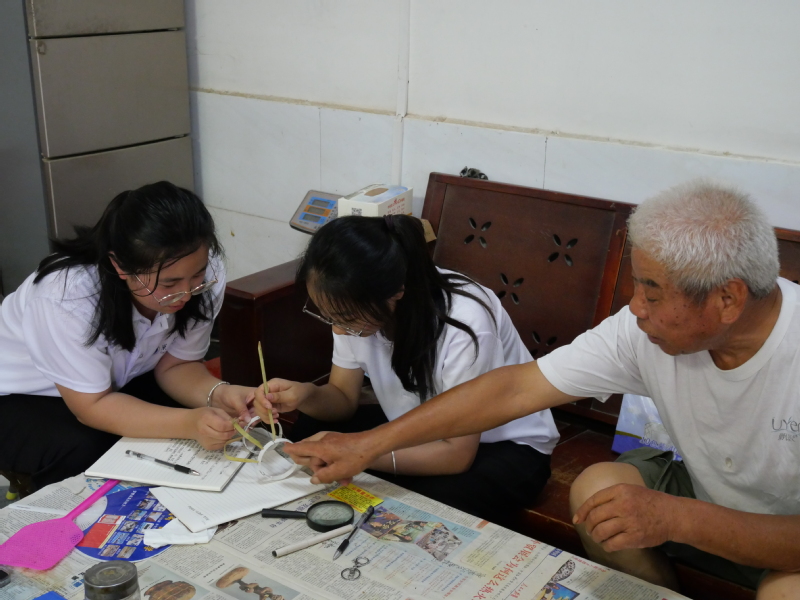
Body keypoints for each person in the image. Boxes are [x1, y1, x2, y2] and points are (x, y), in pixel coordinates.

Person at [284, 181, 800, 597]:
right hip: (705, 488)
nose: (636, 307)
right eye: (637, 284)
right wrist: (366, 444)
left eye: (653, 292)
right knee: (598, 493)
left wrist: (679, 518)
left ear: (728, 300)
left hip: (785, 533)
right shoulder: (639, 331)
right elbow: (514, 390)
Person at [254, 215, 559, 523]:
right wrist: (306, 394)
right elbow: (343, 399)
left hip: (498, 444)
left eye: (346, 317)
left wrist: (361, 452)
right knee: (310, 428)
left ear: (396, 293)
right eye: (327, 315)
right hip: (416, 424)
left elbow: (456, 455)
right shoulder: (349, 305)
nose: (339, 329)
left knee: (433, 504)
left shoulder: (465, 323)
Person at [0, 181, 255, 490]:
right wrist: (189, 423)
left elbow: (176, 366)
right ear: (120, 265)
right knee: (85, 447)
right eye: (169, 284)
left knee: (206, 422)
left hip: (113, 383)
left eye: (197, 276)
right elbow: (92, 407)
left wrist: (219, 394)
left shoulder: (204, 271)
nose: (186, 294)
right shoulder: (66, 298)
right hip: (21, 395)